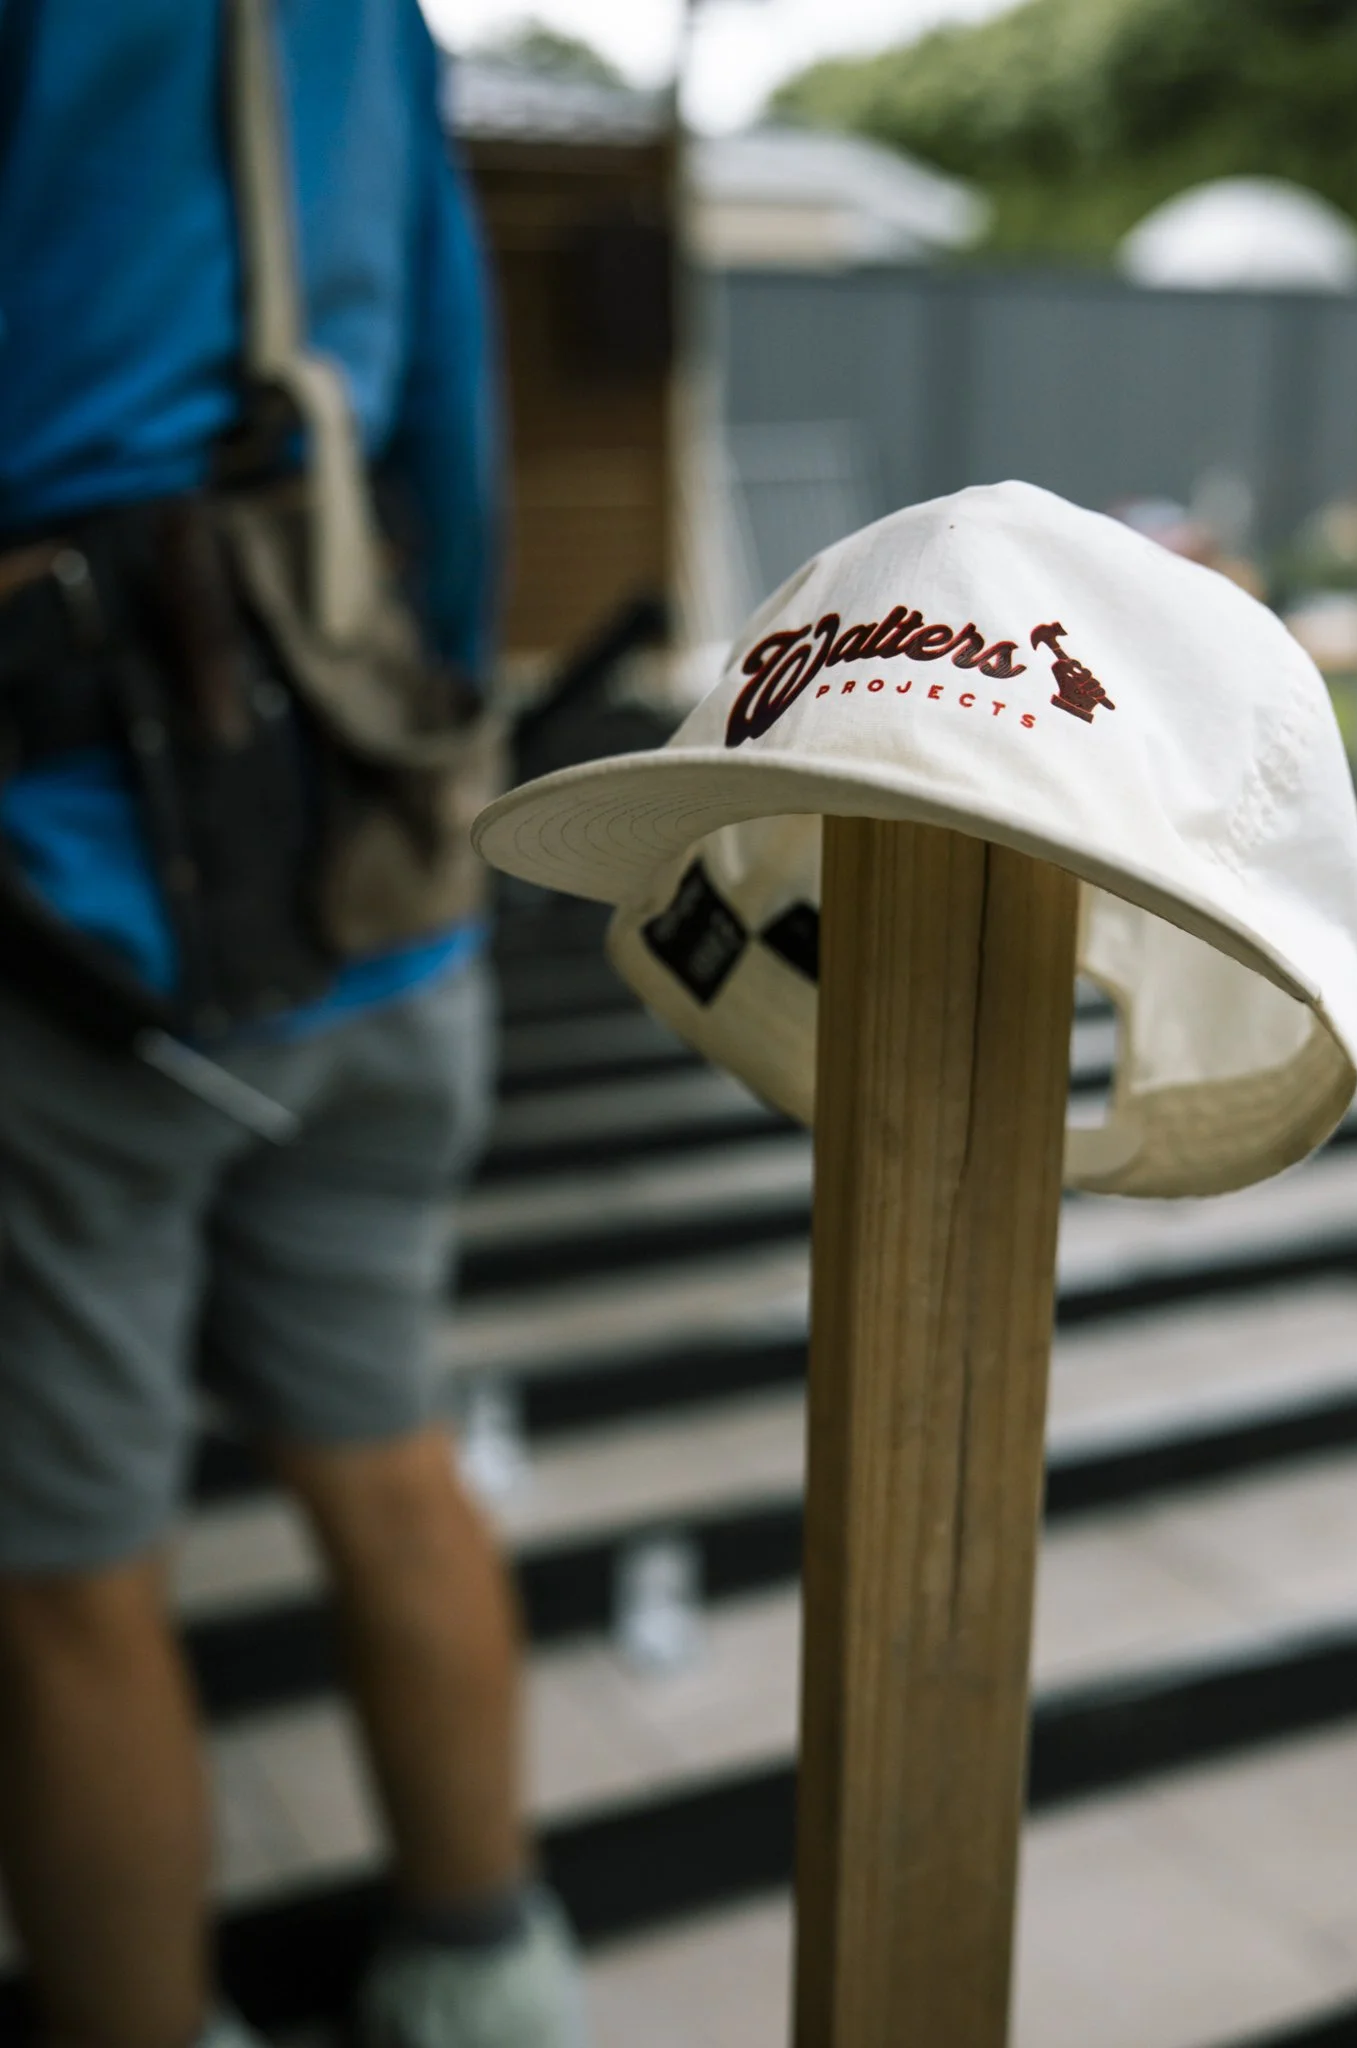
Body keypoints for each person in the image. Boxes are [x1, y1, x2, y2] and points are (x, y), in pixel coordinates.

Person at [0, 4, 587, 2045]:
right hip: (371, 893)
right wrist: (409, 774)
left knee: (72, 1577)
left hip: (69, 917)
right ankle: (483, 1970)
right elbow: (452, 435)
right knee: (390, 1461)